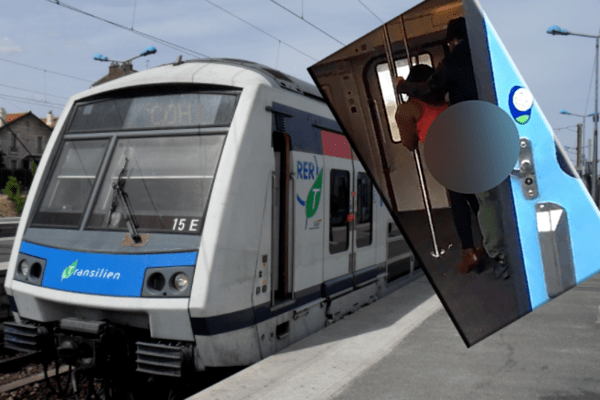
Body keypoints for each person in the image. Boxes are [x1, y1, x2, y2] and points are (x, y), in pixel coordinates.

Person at [396, 17, 487, 275]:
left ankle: (469, 252)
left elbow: (409, 144)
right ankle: (489, 244)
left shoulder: (408, 109)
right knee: (478, 200)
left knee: (459, 203)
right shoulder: (443, 100)